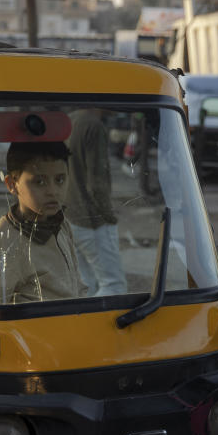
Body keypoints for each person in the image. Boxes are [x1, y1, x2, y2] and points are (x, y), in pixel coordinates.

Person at [0, 141, 85, 304]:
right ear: (12, 184)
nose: (53, 191)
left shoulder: (60, 225)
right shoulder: (0, 246)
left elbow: (76, 288)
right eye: (39, 182)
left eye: (60, 180)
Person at [64, 108, 127, 296]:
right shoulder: (94, 126)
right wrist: (108, 216)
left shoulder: (70, 119)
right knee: (114, 286)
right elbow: (97, 180)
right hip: (91, 219)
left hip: (70, 216)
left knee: (86, 286)